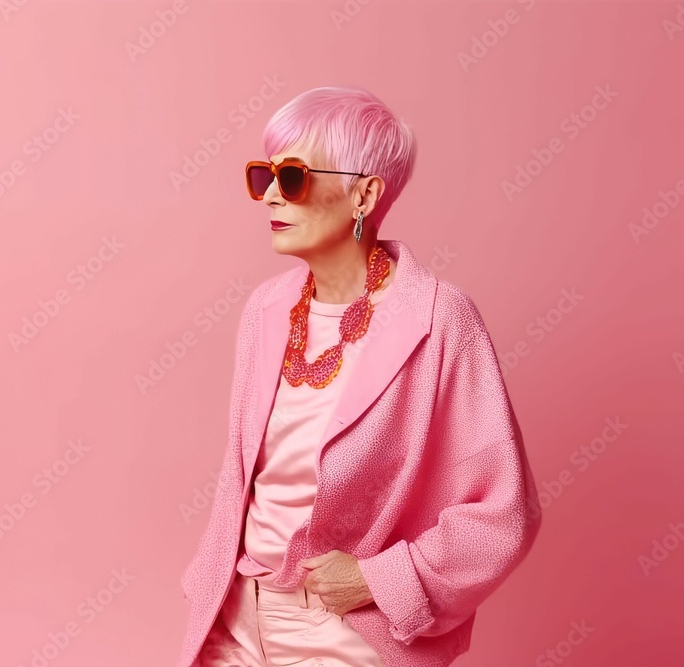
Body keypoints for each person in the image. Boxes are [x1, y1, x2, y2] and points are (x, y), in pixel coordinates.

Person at [177, 86, 542, 667]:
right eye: (264, 175)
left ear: (364, 195)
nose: (270, 194)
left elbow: (505, 511)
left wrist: (385, 579)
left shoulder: (440, 319)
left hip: (344, 632)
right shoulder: (266, 309)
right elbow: (246, 477)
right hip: (236, 618)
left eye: (292, 177)